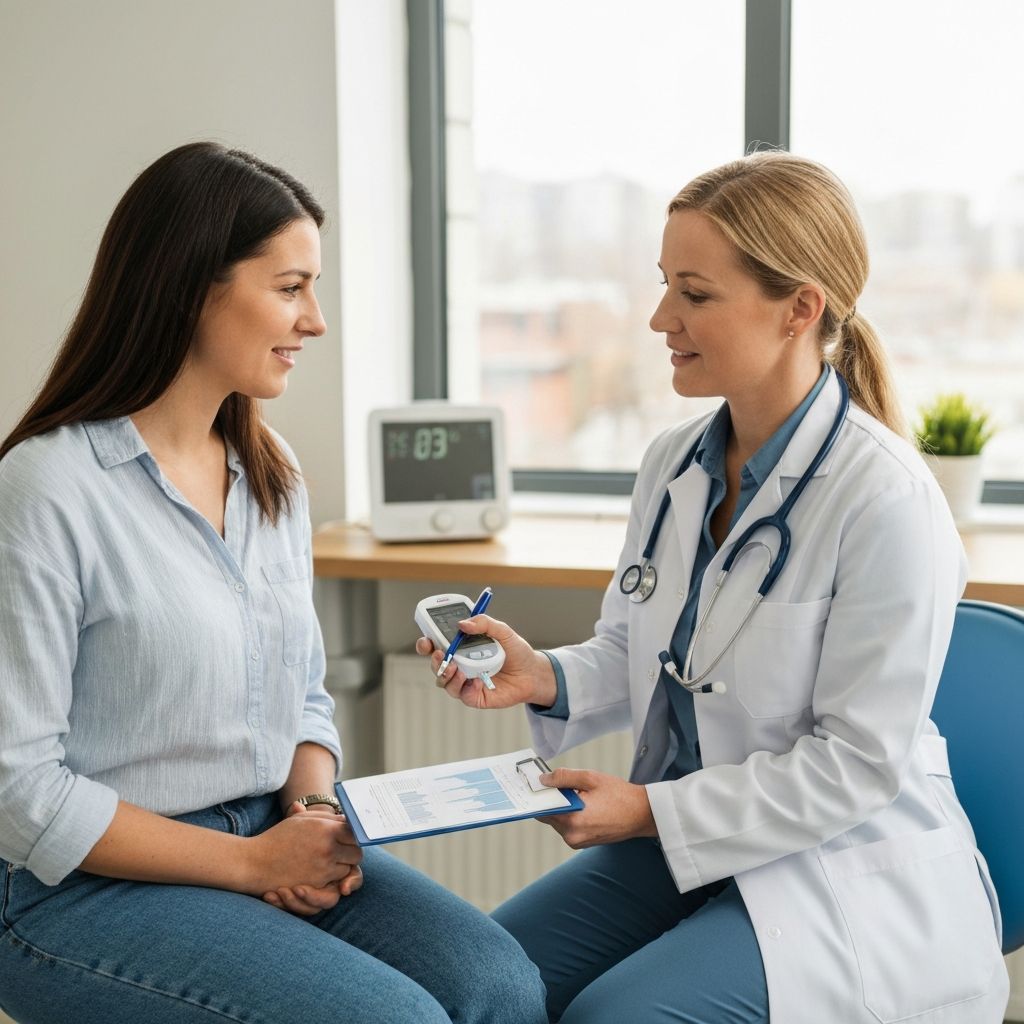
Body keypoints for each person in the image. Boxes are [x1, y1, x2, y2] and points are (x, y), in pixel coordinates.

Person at [418, 152, 1010, 1023]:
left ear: (800, 308)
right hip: (681, 839)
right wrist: (542, 673)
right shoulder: (673, 464)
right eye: (664, 285)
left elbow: (855, 767)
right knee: (469, 988)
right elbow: (639, 647)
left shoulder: (887, 498)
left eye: (694, 294)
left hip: (836, 866)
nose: (660, 317)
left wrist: (649, 808)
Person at [0, 142, 546, 1024]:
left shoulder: (269, 472)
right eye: (290, 288)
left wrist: (311, 817)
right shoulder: (47, 488)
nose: (316, 320)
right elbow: (19, 793)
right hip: (79, 889)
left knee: (501, 989)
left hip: (265, 826)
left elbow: (300, 696)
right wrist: (255, 865)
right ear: (189, 287)